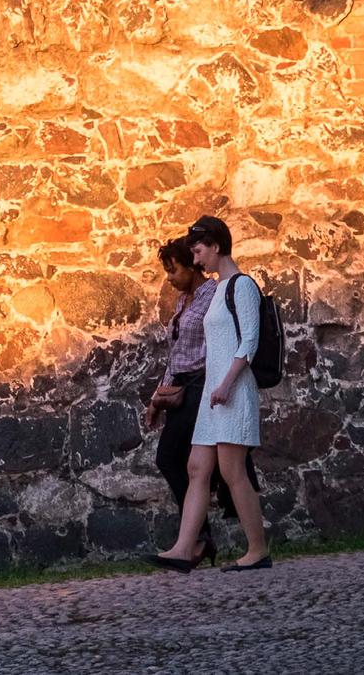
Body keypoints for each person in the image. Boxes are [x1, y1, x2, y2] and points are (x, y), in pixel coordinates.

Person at [146, 215, 271, 573]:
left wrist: (227, 384)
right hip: (212, 396)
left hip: (230, 393)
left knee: (233, 473)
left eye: (199, 252)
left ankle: (257, 550)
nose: (196, 260)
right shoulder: (217, 290)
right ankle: (185, 548)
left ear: (216, 246)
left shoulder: (241, 287)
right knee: (197, 467)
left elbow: (249, 341)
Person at [144, 236, 219, 566]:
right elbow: (175, 355)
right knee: (169, 460)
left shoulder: (213, 295)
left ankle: (196, 541)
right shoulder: (183, 302)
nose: (170, 278)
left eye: (174, 270)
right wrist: (157, 398)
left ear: (193, 265)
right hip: (180, 391)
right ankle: (200, 538)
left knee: (183, 462)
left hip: (201, 388)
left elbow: (215, 346)